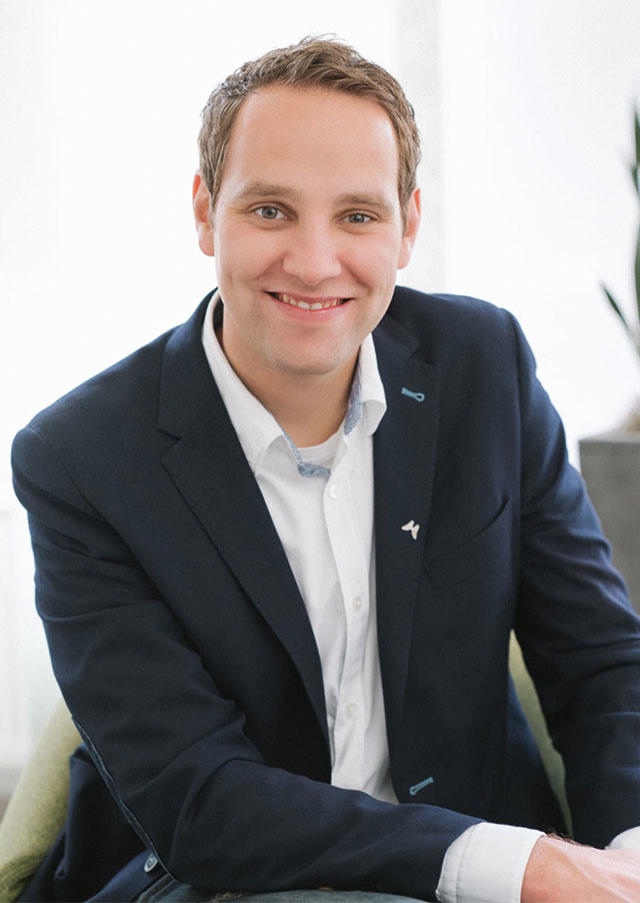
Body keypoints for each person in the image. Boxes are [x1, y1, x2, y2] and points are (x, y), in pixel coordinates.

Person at [10, 36, 640, 903]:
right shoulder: (80, 460)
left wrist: (628, 854)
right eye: (270, 209)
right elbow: (200, 801)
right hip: (218, 882)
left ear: (408, 224)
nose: (313, 262)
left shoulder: (483, 366)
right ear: (205, 211)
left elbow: (603, 664)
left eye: (358, 216)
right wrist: (519, 864)